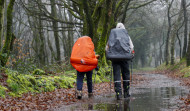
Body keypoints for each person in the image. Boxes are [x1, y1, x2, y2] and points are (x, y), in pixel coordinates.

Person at [106, 23, 134, 100]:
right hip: (125, 57)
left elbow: (107, 47)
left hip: (115, 58)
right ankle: (126, 93)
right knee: (126, 74)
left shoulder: (112, 35)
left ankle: (118, 93)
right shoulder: (126, 35)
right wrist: (131, 54)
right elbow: (131, 47)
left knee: (117, 75)